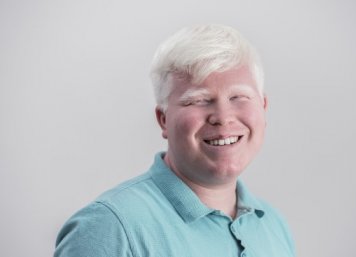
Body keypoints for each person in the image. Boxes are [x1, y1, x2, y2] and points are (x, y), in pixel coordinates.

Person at [54, 24, 295, 257]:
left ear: (263, 107)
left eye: (239, 96)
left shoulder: (273, 226)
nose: (223, 118)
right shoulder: (109, 228)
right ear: (163, 119)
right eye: (198, 100)